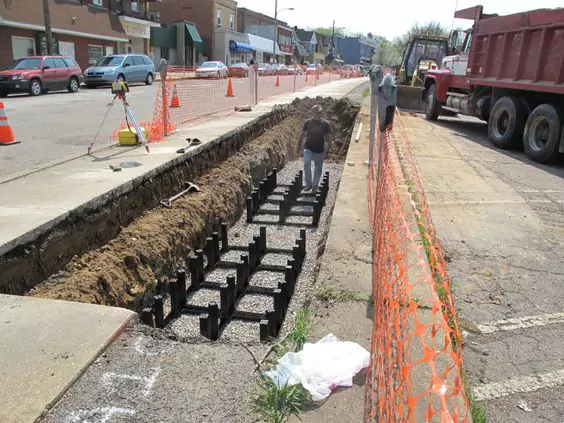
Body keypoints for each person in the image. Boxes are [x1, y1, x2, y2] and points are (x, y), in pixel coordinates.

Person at [296, 105, 332, 192]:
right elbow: (302, 135)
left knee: (318, 167)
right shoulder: (307, 122)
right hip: (308, 147)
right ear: (313, 112)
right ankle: (309, 184)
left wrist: (327, 149)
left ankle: (315, 186)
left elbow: (329, 138)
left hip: (320, 149)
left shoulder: (325, 124)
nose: (319, 114)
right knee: (306, 163)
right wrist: (298, 146)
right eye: (317, 112)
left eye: (320, 112)